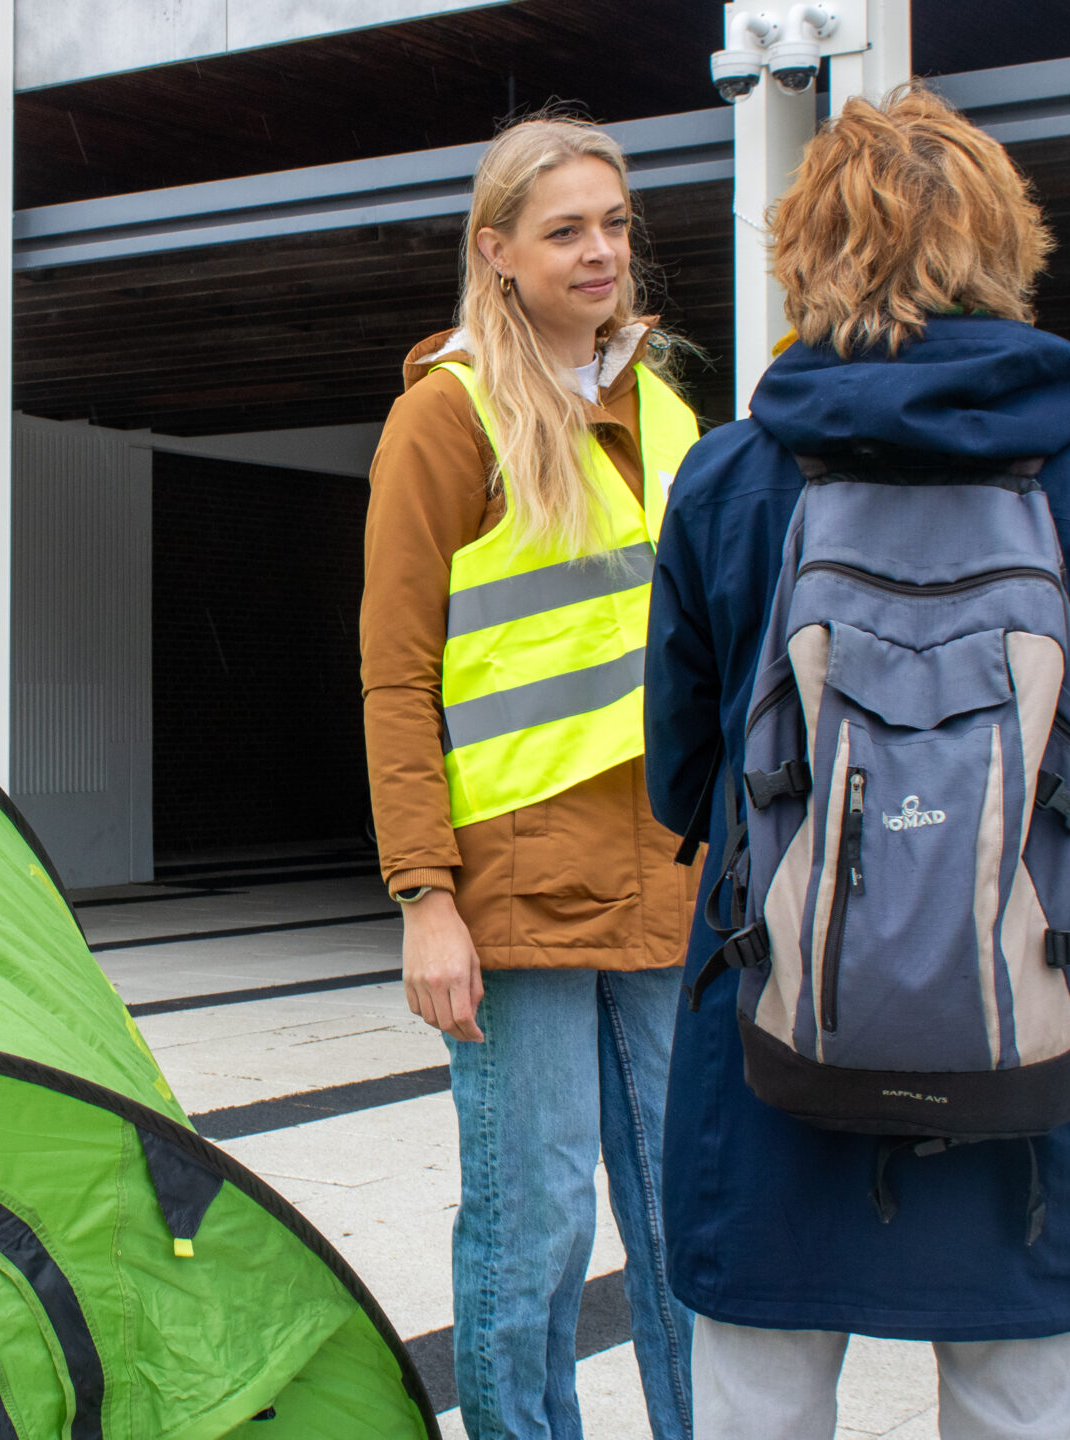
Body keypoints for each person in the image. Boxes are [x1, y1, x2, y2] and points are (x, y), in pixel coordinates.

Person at [641, 86, 1070, 1438]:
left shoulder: (730, 477)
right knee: (1015, 1396)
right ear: (1005, 243)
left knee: (759, 1388)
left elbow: (679, 779)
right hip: (1032, 1022)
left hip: (777, 1023)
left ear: (802, 248)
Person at [362, 115, 701, 1440]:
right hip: (519, 890)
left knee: (691, 1216)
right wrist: (423, 897)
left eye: (614, 223)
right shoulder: (444, 418)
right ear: (496, 250)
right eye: (565, 230)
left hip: (667, 877)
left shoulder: (668, 411)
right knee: (536, 1224)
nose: (601, 250)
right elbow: (397, 679)